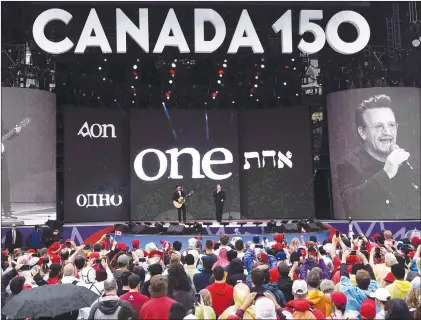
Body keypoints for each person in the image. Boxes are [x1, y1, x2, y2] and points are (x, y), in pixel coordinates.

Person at [337, 94, 420, 219]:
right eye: (379, 126)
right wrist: (386, 173)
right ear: (363, 132)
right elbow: (351, 207)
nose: (387, 132)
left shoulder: (409, 162)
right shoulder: (349, 164)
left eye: (391, 125)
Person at [1, 121, 21, 219]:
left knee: (5, 184)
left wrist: (15, 132)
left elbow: (6, 134)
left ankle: (7, 211)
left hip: (1, 158)